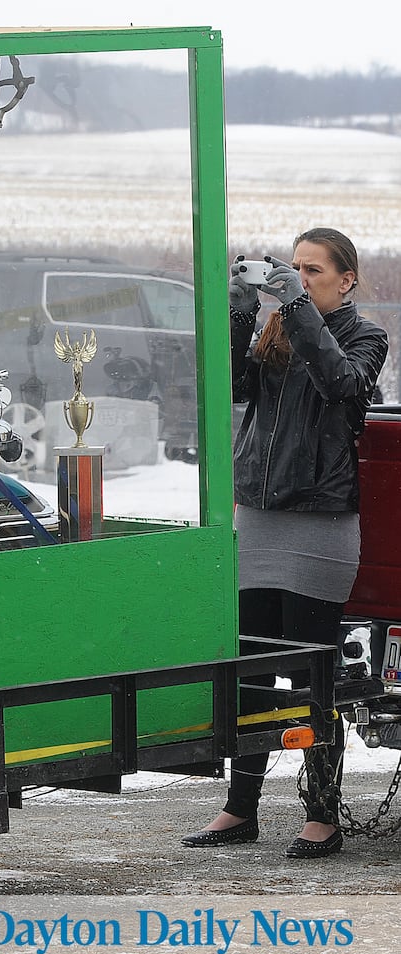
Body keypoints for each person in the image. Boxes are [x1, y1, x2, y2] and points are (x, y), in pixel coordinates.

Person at [182, 228, 388, 858]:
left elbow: (341, 387)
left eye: (314, 271)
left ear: (346, 279)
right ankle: (239, 806)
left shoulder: (366, 336)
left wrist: (294, 308)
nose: (301, 279)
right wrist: (242, 307)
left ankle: (322, 811)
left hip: (321, 525)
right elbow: (228, 388)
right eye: (293, 269)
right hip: (261, 518)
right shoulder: (278, 329)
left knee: (309, 673)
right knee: (250, 668)